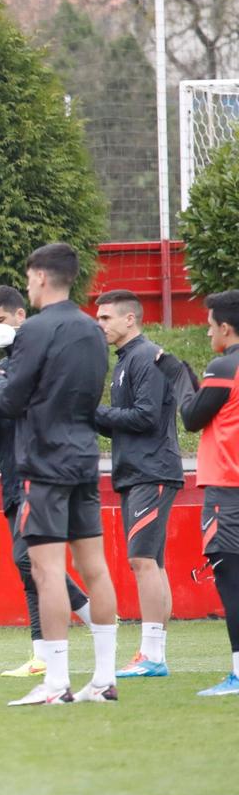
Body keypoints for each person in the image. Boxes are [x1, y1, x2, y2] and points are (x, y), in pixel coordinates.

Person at [0, 243, 120, 707]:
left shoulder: (35, 330)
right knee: (95, 568)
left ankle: (57, 681)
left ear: (40, 277)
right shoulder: (90, 328)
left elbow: (10, 399)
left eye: (27, 278)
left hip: (42, 461)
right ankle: (103, 678)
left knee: (46, 571)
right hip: (83, 457)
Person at [0, 285, 93, 677]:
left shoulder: (36, 359)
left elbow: (31, 406)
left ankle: (93, 615)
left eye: (0, 321)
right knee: (29, 573)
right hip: (12, 473)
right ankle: (41, 655)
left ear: (20, 316)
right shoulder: (2, 368)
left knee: (29, 559)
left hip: (40, 471)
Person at [93, 290, 186, 679]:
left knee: (142, 561)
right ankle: (154, 653)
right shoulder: (125, 361)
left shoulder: (146, 357)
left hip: (152, 471)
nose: (100, 325)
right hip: (138, 472)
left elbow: (146, 417)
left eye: (106, 318)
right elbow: (124, 419)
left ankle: (151, 655)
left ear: (130, 319)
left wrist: (93, 412)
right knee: (153, 563)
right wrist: (92, 416)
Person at [182, 289, 239, 697]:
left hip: (228, 492)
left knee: (232, 582)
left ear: (225, 327)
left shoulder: (224, 366)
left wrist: (182, 382)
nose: (207, 334)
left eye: (208, 326)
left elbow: (191, 416)